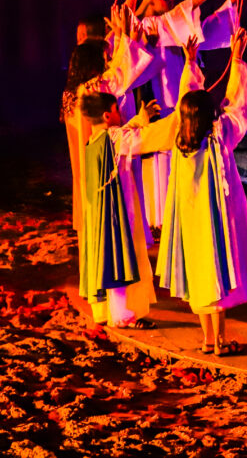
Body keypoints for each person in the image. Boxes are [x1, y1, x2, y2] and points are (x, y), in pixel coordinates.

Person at [127, 30, 247, 356]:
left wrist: (191, 63)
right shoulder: (221, 135)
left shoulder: (177, 133)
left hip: (190, 223)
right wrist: (236, 59)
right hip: (216, 222)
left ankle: (208, 340)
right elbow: (240, 104)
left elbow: (170, 116)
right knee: (216, 278)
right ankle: (217, 341)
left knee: (200, 281)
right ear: (210, 114)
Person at [128, 0, 247, 230]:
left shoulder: (174, 29)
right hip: (163, 108)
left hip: (188, 112)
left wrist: (232, 0)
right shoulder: (149, 27)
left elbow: (210, 28)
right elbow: (129, 31)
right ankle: (161, 217)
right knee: (162, 158)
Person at [61, 5, 155, 235]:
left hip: (85, 163)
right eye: (103, 56)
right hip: (103, 163)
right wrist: (127, 36)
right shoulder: (96, 87)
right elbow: (123, 71)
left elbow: (118, 67)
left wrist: (124, 36)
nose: (107, 59)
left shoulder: (74, 91)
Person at [77, 92, 159, 329]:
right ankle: (124, 316)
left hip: (99, 214)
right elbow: (140, 139)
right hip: (117, 210)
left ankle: (107, 312)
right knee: (121, 256)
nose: (120, 115)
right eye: (116, 111)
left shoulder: (93, 140)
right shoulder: (112, 138)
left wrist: (139, 118)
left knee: (107, 257)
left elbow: (124, 135)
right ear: (106, 115)